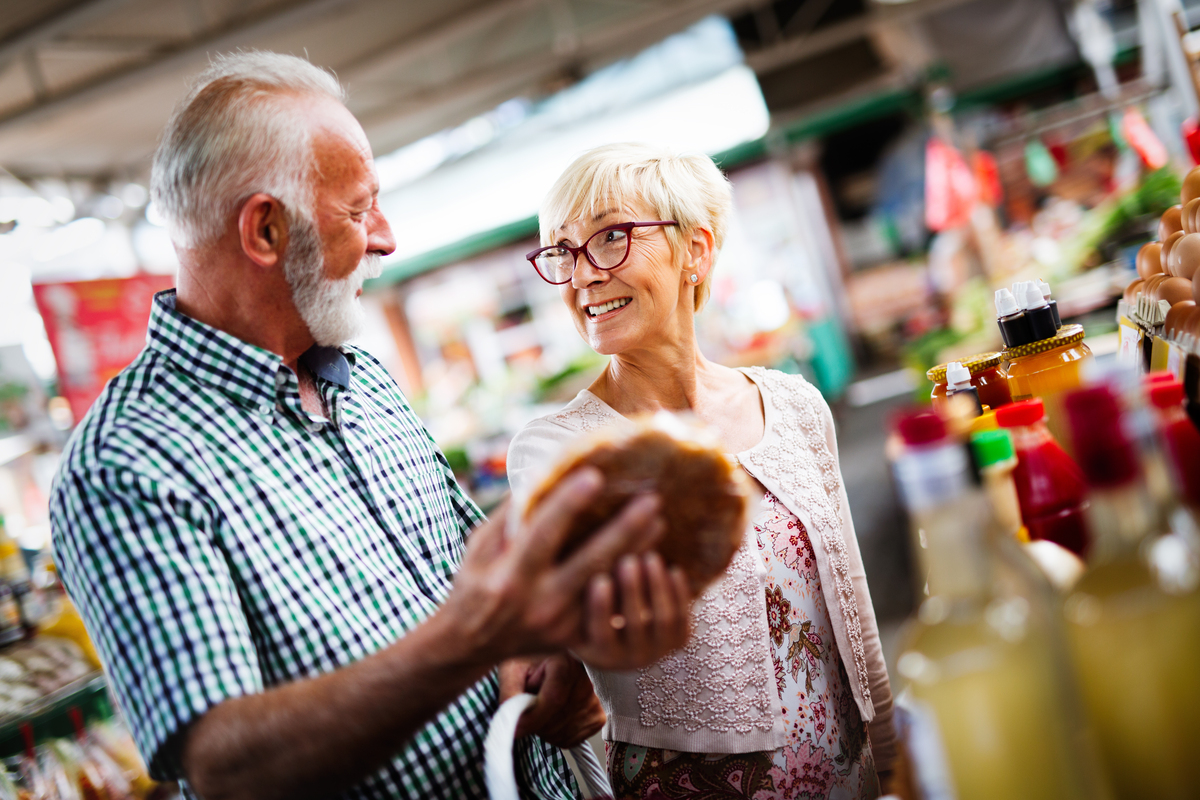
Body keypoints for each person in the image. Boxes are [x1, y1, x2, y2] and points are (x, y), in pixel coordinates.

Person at [49, 54, 696, 800]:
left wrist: (555, 653)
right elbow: (228, 765)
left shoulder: (363, 381)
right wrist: (475, 639)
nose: (386, 237)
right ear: (264, 229)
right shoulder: (125, 465)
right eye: (358, 211)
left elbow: (488, 583)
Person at [507, 143, 897, 799]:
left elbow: (852, 610)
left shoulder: (795, 405)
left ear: (697, 249)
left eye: (610, 238)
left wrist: (889, 762)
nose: (583, 276)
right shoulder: (556, 450)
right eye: (564, 252)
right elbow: (587, 629)